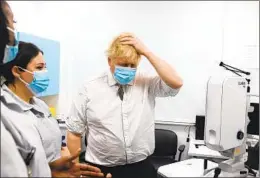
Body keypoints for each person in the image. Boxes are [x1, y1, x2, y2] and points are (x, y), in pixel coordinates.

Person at [0, 1, 110, 177]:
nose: (45, 73)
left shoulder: (40, 105)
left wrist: (54, 170)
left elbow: (53, 150)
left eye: (45, 67)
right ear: (17, 71)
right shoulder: (6, 112)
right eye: (39, 68)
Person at [66, 32, 183, 178]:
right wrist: (75, 170)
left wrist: (146, 52)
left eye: (132, 65)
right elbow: (74, 132)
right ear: (110, 61)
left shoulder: (146, 82)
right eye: (123, 64)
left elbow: (176, 83)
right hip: (101, 170)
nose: (128, 69)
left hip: (141, 168)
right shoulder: (89, 88)